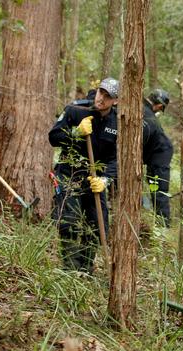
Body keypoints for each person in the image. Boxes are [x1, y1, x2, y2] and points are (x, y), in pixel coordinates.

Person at [48, 77, 119, 273]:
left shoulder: (117, 122)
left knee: (98, 224)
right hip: (69, 173)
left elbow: (117, 159)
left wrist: (105, 179)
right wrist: (75, 133)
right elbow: (53, 137)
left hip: (94, 178)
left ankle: (85, 269)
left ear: (116, 101)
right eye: (100, 93)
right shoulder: (76, 110)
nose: (101, 99)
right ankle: (70, 269)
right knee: (69, 220)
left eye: (108, 96)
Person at [142, 89, 173, 227]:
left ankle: (163, 226)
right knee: (154, 188)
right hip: (155, 156)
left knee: (159, 191)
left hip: (160, 157)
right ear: (160, 106)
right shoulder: (147, 114)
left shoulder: (147, 115)